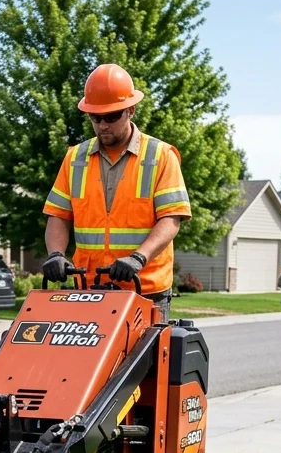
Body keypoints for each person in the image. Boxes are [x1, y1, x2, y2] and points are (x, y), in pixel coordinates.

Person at [42, 64, 191, 320]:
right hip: (88, 288)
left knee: (143, 361)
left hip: (144, 289)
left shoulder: (160, 156)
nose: (103, 125)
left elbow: (171, 219)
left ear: (130, 110)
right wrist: (56, 254)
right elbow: (58, 216)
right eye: (95, 118)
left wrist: (137, 258)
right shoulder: (75, 158)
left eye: (111, 116)